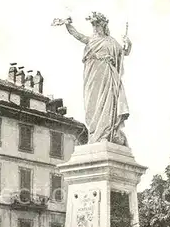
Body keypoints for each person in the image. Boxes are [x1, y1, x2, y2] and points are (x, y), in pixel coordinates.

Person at [53, 12, 132, 145]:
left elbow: (124, 52)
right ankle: (96, 133)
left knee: (107, 103)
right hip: (93, 74)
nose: (95, 27)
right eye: (94, 25)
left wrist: (128, 43)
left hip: (107, 74)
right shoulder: (90, 39)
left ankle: (106, 132)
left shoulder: (111, 41)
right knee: (92, 102)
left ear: (103, 26)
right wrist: (68, 24)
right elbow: (77, 35)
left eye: (97, 25)